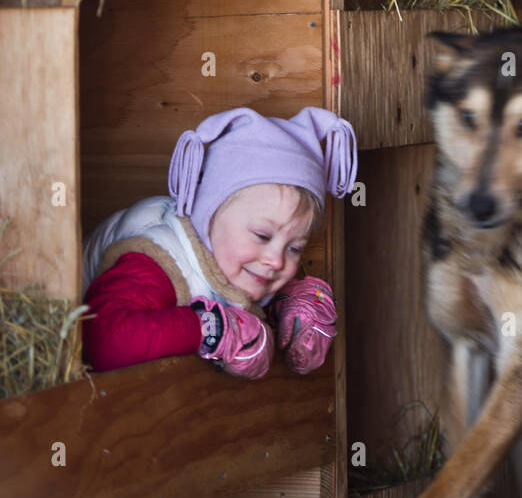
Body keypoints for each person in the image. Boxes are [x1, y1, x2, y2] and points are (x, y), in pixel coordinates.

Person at [81, 106, 357, 378]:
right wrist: (212, 329)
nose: (276, 260)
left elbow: (229, 291)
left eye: (295, 248)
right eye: (262, 235)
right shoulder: (157, 262)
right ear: (209, 214)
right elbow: (103, 343)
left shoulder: (233, 259)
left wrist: (289, 305)